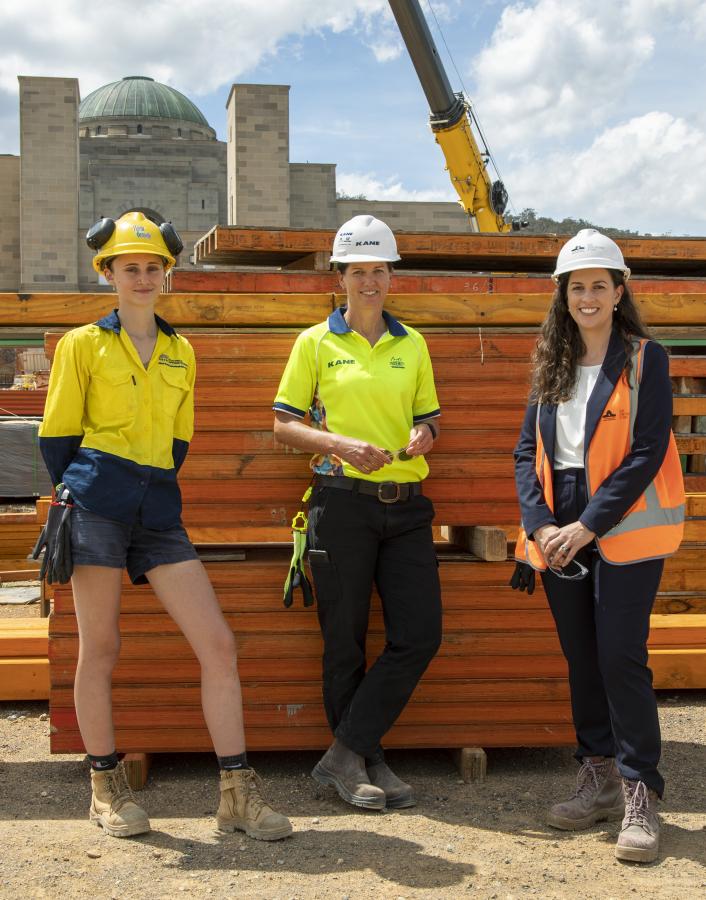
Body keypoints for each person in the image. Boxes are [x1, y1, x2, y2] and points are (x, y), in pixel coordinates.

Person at [39, 211, 292, 842]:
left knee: (217, 642)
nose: (143, 277)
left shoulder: (182, 352)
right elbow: (57, 438)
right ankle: (104, 786)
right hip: (96, 502)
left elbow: (179, 440)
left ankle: (235, 792)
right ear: (109, 274)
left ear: (167, 275)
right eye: (131, 268)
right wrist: (89, 492)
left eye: (153, 268)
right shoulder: (82, 345)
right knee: (101, 648)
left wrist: (148, 489)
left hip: (159, 509)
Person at [512, 229, 685, 863]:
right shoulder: (551, 362)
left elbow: (646, 452)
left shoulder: (646, 359)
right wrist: (539, 527)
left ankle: (641, 788)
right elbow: (525, 453)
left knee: (620, 657)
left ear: (619, 291)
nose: (587, 297)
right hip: (558, 525)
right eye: (576, 287)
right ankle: (598, 775)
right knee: (582, 657)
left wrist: (586, 524)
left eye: (598, 286)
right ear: (563, 296)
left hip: (621, 524)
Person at [272, 215, 442, 810]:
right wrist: (340, 445)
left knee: (420, 634)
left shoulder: (412, 344)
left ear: (391, 276)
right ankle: (364, 762)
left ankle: (345, 753)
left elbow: (429, 417)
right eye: (358, 271)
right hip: (340, 505)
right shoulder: (314, 344)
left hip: (406, 508)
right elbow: (284, 423)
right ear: (339, 277)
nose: (370, 281)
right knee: (344, 642)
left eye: (379, 270)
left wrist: (425, 434)